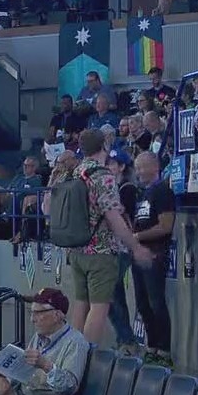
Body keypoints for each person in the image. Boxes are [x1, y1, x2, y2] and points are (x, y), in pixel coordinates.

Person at [67, 130, 152, 344]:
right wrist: (135, 246)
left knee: (81, 304)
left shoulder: (77, 172)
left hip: (77, 249)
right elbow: (113, 217)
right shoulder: (102, 175)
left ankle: (71, 358)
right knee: (99, 307)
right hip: (101, 251)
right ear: (104, 145)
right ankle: (83, 360)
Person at [131, 152, 175, 366]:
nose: (138, 172)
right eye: (136, 168)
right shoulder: (143, 193)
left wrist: (137, 237)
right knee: (142, 303)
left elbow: (166, 226)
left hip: (155, 254)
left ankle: (164, 352)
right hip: (138, 253)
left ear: (155, 166)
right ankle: (152, 347)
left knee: (156, 303)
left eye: (141, 167)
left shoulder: (162, 191)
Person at [105, 150, 139, 355]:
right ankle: (123, 339)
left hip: (123, 246)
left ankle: (126, 340)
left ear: (121, 167)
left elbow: (125, 217)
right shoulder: (113, 188)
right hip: (113, 246)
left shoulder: (127, 189)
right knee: (110, 294)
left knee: (112, 293)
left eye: (112, 164)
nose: (108, 167)